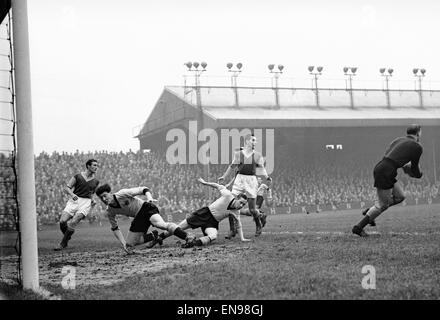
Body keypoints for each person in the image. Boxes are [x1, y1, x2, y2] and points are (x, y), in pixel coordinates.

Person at [352, 124, 424, 237]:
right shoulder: (417, 147)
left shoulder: (398, 140)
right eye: (421, 132)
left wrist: (402, 165)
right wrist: (419, 175)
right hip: (386, 171)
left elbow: (391, 155)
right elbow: (414, 167)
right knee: (382, 206)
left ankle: (370, 211)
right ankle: (358, 228)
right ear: (418, 133)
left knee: (400, 196)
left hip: (383, 167)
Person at [149, 178, 250, 249]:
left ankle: (193, 243)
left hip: (212, 222)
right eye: (241, 202)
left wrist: (242, 238)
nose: (241, 205)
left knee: (213, 236)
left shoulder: (236, 211)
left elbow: (239, 225)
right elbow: (218, 186)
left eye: (243, 204)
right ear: (236, 198)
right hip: (204, 213)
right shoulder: (228, 195)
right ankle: (159, 238)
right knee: (179, 228)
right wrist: (205, 183)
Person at [95, 183, 191, 254]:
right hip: (139, 218)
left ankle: (187, 236)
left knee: (161, 224)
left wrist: (149, 198)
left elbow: (144, 189)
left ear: (110, 193)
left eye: (105, 196)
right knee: (129, 244)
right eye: (101, 198)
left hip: (146, 207)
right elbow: (115, 228)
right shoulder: (110, 211)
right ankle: (154, 236)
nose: (104, 199)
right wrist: (123, 243)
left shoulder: (122, 194)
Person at [219, 135, 272, 237]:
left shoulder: (257, 155)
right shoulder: (239, 154)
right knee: (231, 205)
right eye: (253, 140)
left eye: (255, 141)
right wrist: (224, 177)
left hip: (251, 180)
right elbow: (232, 166)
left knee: (252, 209)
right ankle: (232, 230)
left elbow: (261, 168)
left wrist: (267, 176)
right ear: (247, 141)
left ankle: (258, 224)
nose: (255, 142)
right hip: (239, 179)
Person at [54, 159, 100, 251]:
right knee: (62, 221)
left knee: (74, 221)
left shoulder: (96, 181)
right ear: (88, 166)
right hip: (74, 200)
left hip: (85, 202)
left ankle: (63, 244)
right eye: (94, 165)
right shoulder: (77, 176)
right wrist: (72, 194)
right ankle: (67, 236)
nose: (96, 167)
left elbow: (91, 193)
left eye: (97, 165)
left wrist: (93, 200)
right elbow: (67, 188)